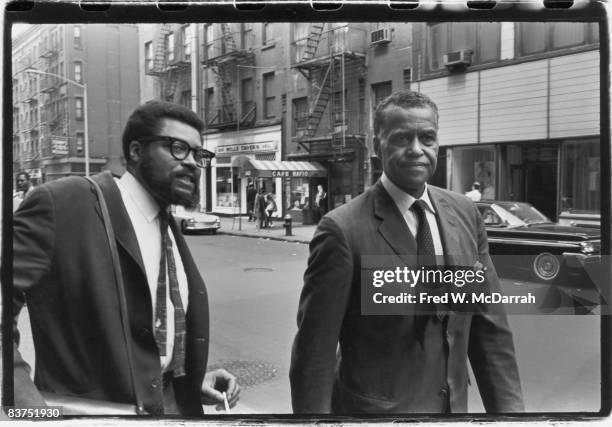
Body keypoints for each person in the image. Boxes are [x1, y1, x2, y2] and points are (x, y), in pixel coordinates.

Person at [290, 90, 523, 414]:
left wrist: (513, 417)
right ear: (376, 146)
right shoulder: (341, 230)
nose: (417, 150)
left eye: (427, 138)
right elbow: (313, 358)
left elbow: (489, 331)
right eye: (402, 138)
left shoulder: (466, 214)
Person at [12, 101, 240, 415]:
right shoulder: (64, 203)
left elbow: (148, 338)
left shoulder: (168, 225)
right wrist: (30, 410)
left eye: (198, 154)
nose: (193, 163)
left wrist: (182, 380)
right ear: (135, 151)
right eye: (177, 148)